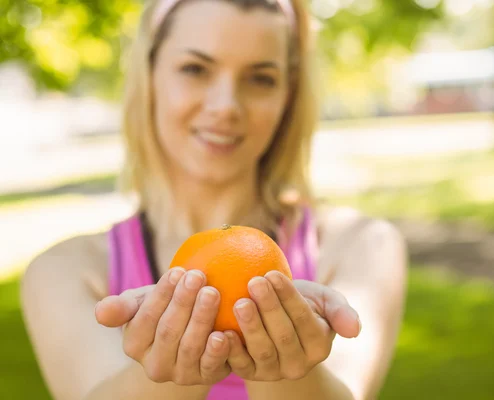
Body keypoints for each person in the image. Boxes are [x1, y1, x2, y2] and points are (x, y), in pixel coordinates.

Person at [20, 0, 407, 399]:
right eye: (195, 69)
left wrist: (283, 366)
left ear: (287, 98)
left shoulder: (361, 246)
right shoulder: (66, 271)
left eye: (261, 78)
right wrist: (169, 374)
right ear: (149, 76)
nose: (225, 107)